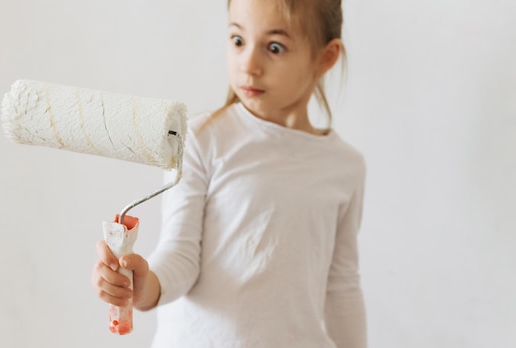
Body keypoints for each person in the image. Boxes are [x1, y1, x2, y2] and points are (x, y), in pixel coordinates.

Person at [92, 0, 367, 346]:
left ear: (326, 57)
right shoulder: (201, 140)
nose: (249, 65)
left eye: (275, 47)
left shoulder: (345, 167)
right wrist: (142, 286)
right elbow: (181, 255)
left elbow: (342, 285)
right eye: (238, 40)